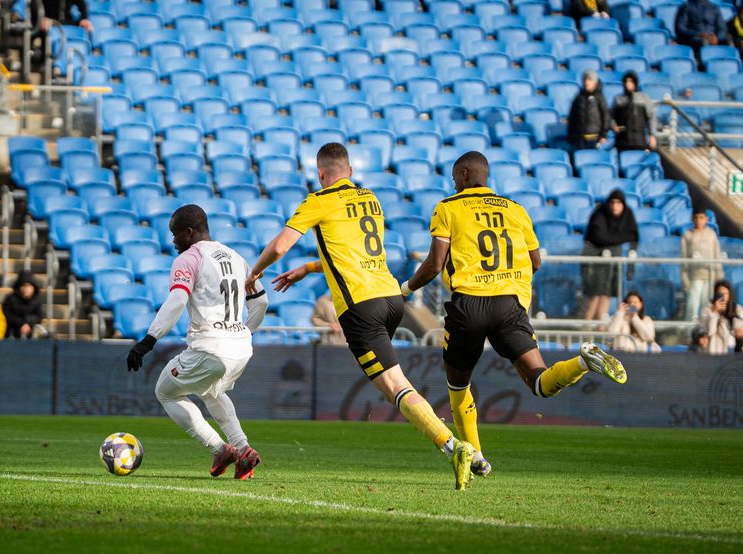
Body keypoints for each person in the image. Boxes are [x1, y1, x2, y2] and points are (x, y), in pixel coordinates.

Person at [246, 142, 479, 491]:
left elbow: (279, 246)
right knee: (392, 388)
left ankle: (455, 447)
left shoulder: (318, 200)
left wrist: (254, 272)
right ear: (350, 172)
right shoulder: (370, 198)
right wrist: (309, 268)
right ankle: (468, 453)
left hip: (360, 307)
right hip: (391, 298)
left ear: (320, 174)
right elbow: (352, 252)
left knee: (396, 387)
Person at [400, 151, 627, 478]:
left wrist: (405, 288)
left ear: (463, 175)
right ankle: (582, 362)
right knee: (539, 381)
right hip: (510, 305)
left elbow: (435, 264)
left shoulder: (448, 207)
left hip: (469, 304)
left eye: (454, 178)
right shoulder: (515, 209)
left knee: (458, 387)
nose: (453, 184)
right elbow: (536, 261)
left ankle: (476, 457)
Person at [126, 205, 269, 480]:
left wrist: (148, 341)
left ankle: (220, 449)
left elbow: (177, 300)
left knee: (166, 392)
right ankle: (243, 450)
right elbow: (261, 302)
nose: (172, 241)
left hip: (211, 346)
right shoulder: (237, 258)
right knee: (211, 391)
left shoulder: (189, 258)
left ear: (189, 232)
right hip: (240, 349)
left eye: (175, 233)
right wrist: (244, 332)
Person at [582, 189, 639, 320]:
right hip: (595, 262)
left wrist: (612, 240)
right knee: (595, 294)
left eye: (618, 203)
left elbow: (633, 236)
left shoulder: (627, 215)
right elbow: (599, 237)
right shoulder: (599, 214)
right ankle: (587, 324)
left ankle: (601, 325)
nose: (615, 206)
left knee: (606, 293)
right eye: (612, 202)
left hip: (613, 263)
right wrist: (618, 239)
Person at [681, 209, 723, 321]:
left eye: (701, 218)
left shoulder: (711, 234)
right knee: (692, 304)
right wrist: (685, 278)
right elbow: (684, 259)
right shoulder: (687, 235)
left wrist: (719, 276)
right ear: (692, 219)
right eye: (696, 218)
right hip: (694, 276)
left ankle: (706, 327)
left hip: (710, 275)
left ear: (706, 219)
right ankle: (689, 328)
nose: (699, 221)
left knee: (707, 304)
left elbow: (716, 255)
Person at [611, 71, 657, 152]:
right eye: (626, 81)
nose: (628, 83)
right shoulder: (618, 99)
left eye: (631, 81)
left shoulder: (644, 98)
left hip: (639, 141)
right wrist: (613, 126)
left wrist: (652, 135)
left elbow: (651, 117)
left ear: (635, 83)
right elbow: (610, 116)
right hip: (622, 142)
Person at [568, 70, 611, 152]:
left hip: (595, 138)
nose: (587, 82)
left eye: (589, 79)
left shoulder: (600, 97)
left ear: (595, 82)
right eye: (585, 80)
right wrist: (571, 135)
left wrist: (604, 134)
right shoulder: (579, 97)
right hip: (580, 138)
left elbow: (606, 116)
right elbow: (572, 116)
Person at [698, 280, 743, 354]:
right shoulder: (707, 310)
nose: (723, 296)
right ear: (715, 294)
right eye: (720, 293)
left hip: (734, 352)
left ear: (730, 294)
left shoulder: (737, 309)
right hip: (714, 353)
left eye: (726, 293)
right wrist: (714, 312)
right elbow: (708, 332)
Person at [2, 270, 45, 339]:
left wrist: (27, 323)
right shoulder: (11, 299)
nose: (26, 288)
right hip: (11, 333)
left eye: (29, 286)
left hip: (31, 334)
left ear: (33, 287)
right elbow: (6, 315)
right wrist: (21, 323)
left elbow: (39, 316)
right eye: (23, 285)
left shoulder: (37, 300)